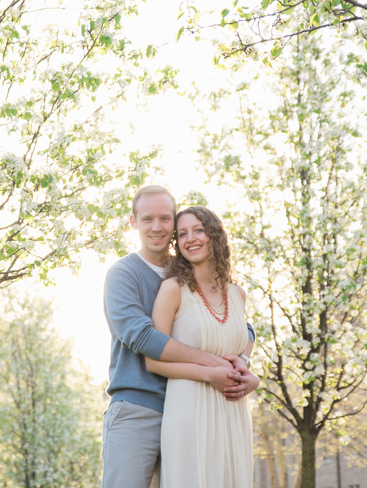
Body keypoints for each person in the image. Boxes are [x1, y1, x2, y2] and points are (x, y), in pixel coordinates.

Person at [102, 186, 258, 488]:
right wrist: (213, 366)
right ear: (133, 223)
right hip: (138, 409)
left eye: (165, 218)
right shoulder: (123, 273)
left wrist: (242, 364)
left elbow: (241, 326)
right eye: (147, 219)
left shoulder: (188, 270)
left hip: (191, 407)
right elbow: (142, 337)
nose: (157, 227)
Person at [145, 206, 255, 487]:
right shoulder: (172, 290)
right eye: (182, 234)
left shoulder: (238, 293)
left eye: (198, 230)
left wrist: (248, 371)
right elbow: (153, 362)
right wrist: (208, 374)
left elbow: (239, 347)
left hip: (233, 411)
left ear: (214, 235)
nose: (190, 238)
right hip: (189, 409)